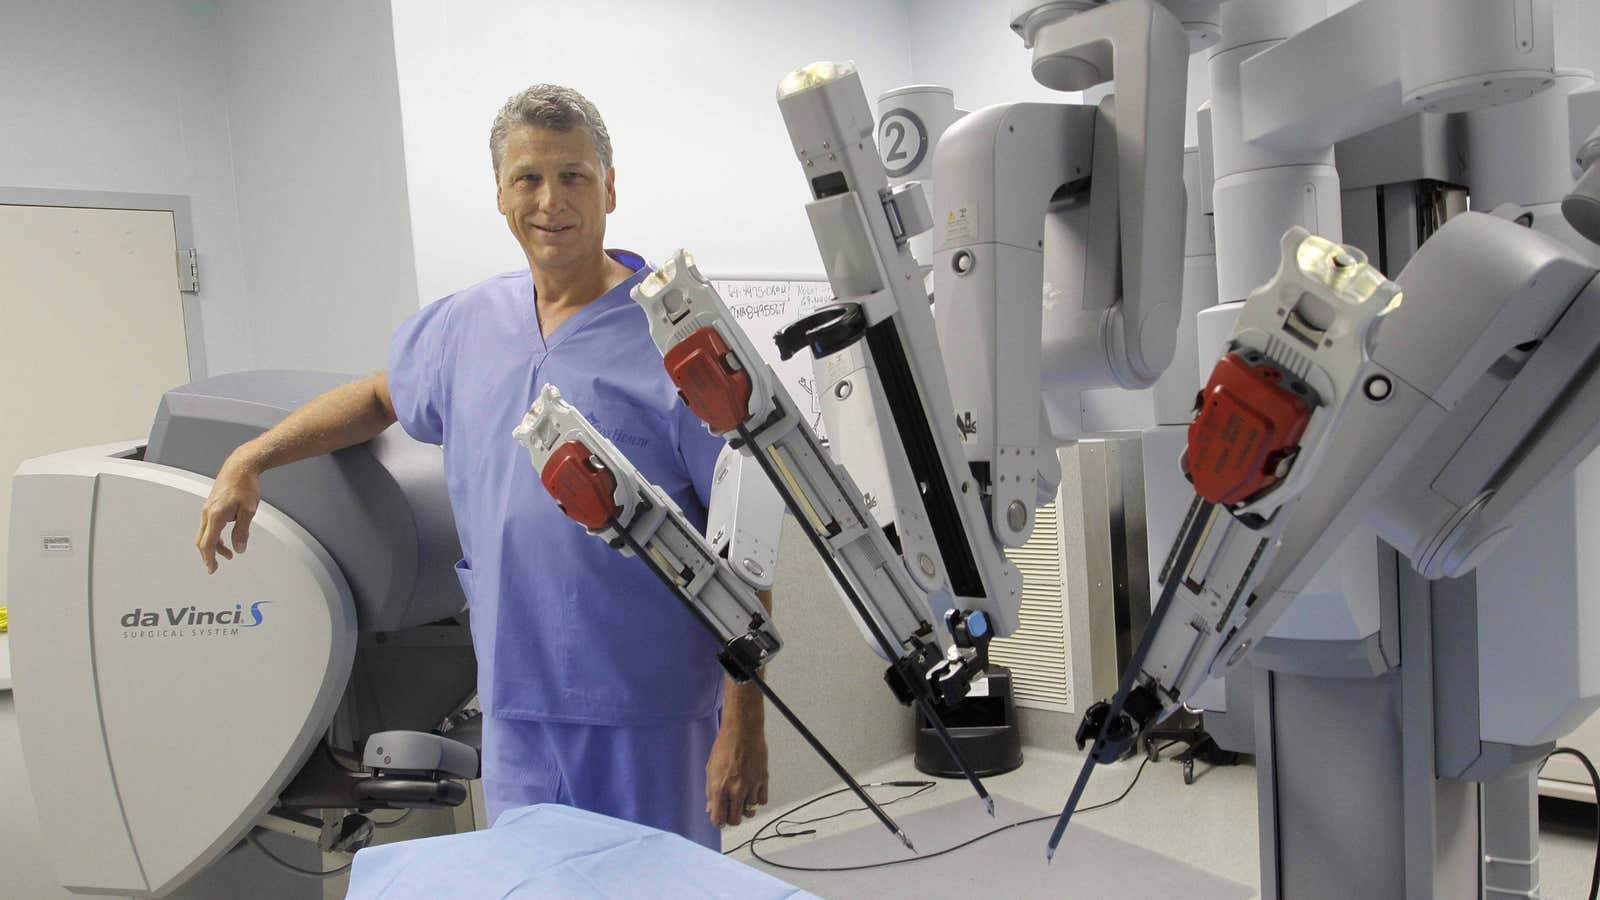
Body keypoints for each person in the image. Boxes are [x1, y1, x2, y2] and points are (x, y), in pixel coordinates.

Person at [194, 84, 769, 850]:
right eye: (528, 177)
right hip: (519, 707)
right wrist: (253, 455)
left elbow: (747, 541)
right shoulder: (469, 324)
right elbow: (375, 397)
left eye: (574, 176)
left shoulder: (676, 336)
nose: (550, 200)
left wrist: (746, 720)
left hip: (649, 707)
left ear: (611, 186)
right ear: (499, 192)